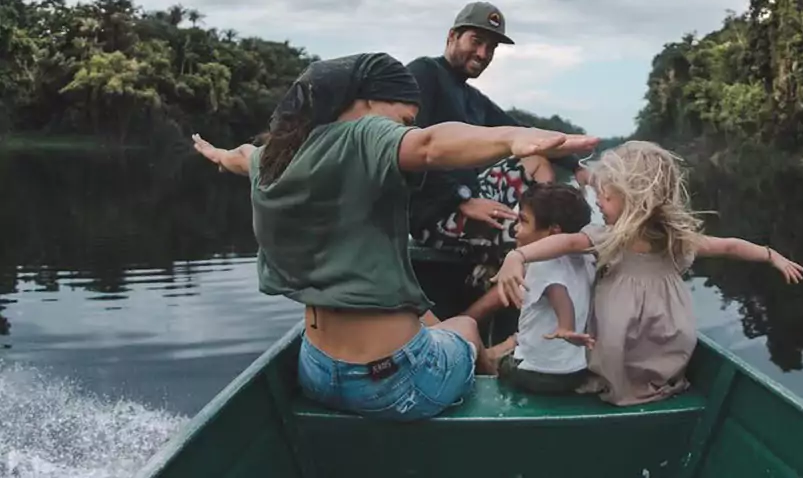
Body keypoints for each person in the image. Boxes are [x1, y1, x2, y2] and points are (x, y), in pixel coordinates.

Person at [190, 52, 599, 421]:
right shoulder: (363, 135)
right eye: (403, 119)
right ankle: (500, 395)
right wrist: (511, 138)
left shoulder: (278, 155)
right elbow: (430, 145)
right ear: (366, 102)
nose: (405, 130)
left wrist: (219, 157)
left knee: (434, 321)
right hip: (392, 382)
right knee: (467, 330)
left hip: (316, 369)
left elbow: (243, 157)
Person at [491, 140, 803, 407]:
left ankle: (614, 382)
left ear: (635, 200)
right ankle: (635, 382)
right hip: (653, 331)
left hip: (633, 331)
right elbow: (565, 242)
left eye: (606, 196)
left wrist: (769, 254)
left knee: (616, 341)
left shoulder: (666, 240)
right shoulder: (612, 236)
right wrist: (517, 256)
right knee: (628, 342)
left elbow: (729, 247)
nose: (598, 201)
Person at [406, 1, 590, 291]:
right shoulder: (423, 74)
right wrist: (462, 199)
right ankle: (482, 312)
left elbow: (524, 134)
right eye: (476, 41)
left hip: (472, 197)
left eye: (491, 48)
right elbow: (410, 149)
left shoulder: (473, 98)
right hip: (433, 212)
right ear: (451, 36)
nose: (483, 54)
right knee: (531, 241)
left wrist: (577, 167)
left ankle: (542, 222)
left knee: (535, 156)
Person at [485, 182, 597, 395]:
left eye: (523, 221)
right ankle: (509, 343)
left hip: (538, 374)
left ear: (553, 231)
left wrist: (566, 326)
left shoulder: (543, 263)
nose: (516, 229)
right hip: (575, 370)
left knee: (500, 365)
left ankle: (491, 362)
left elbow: (558, 292)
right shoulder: (585, 257)